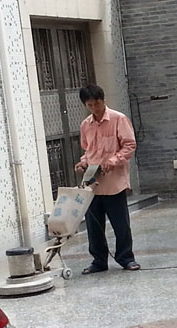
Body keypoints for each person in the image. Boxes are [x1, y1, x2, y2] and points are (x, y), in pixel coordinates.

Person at [75, 85, 140, 274]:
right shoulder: (85, 125)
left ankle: (126, 258)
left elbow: (129, 145)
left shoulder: (119, 119)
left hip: (114, 183)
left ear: (103, 100)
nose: (94, 108)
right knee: (94, 226)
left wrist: (113, 160)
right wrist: (83, 163)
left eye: (97, 104)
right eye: (90, 105)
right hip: (92, 184)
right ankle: (98, 261)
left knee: (121, 225)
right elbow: (88, 150)